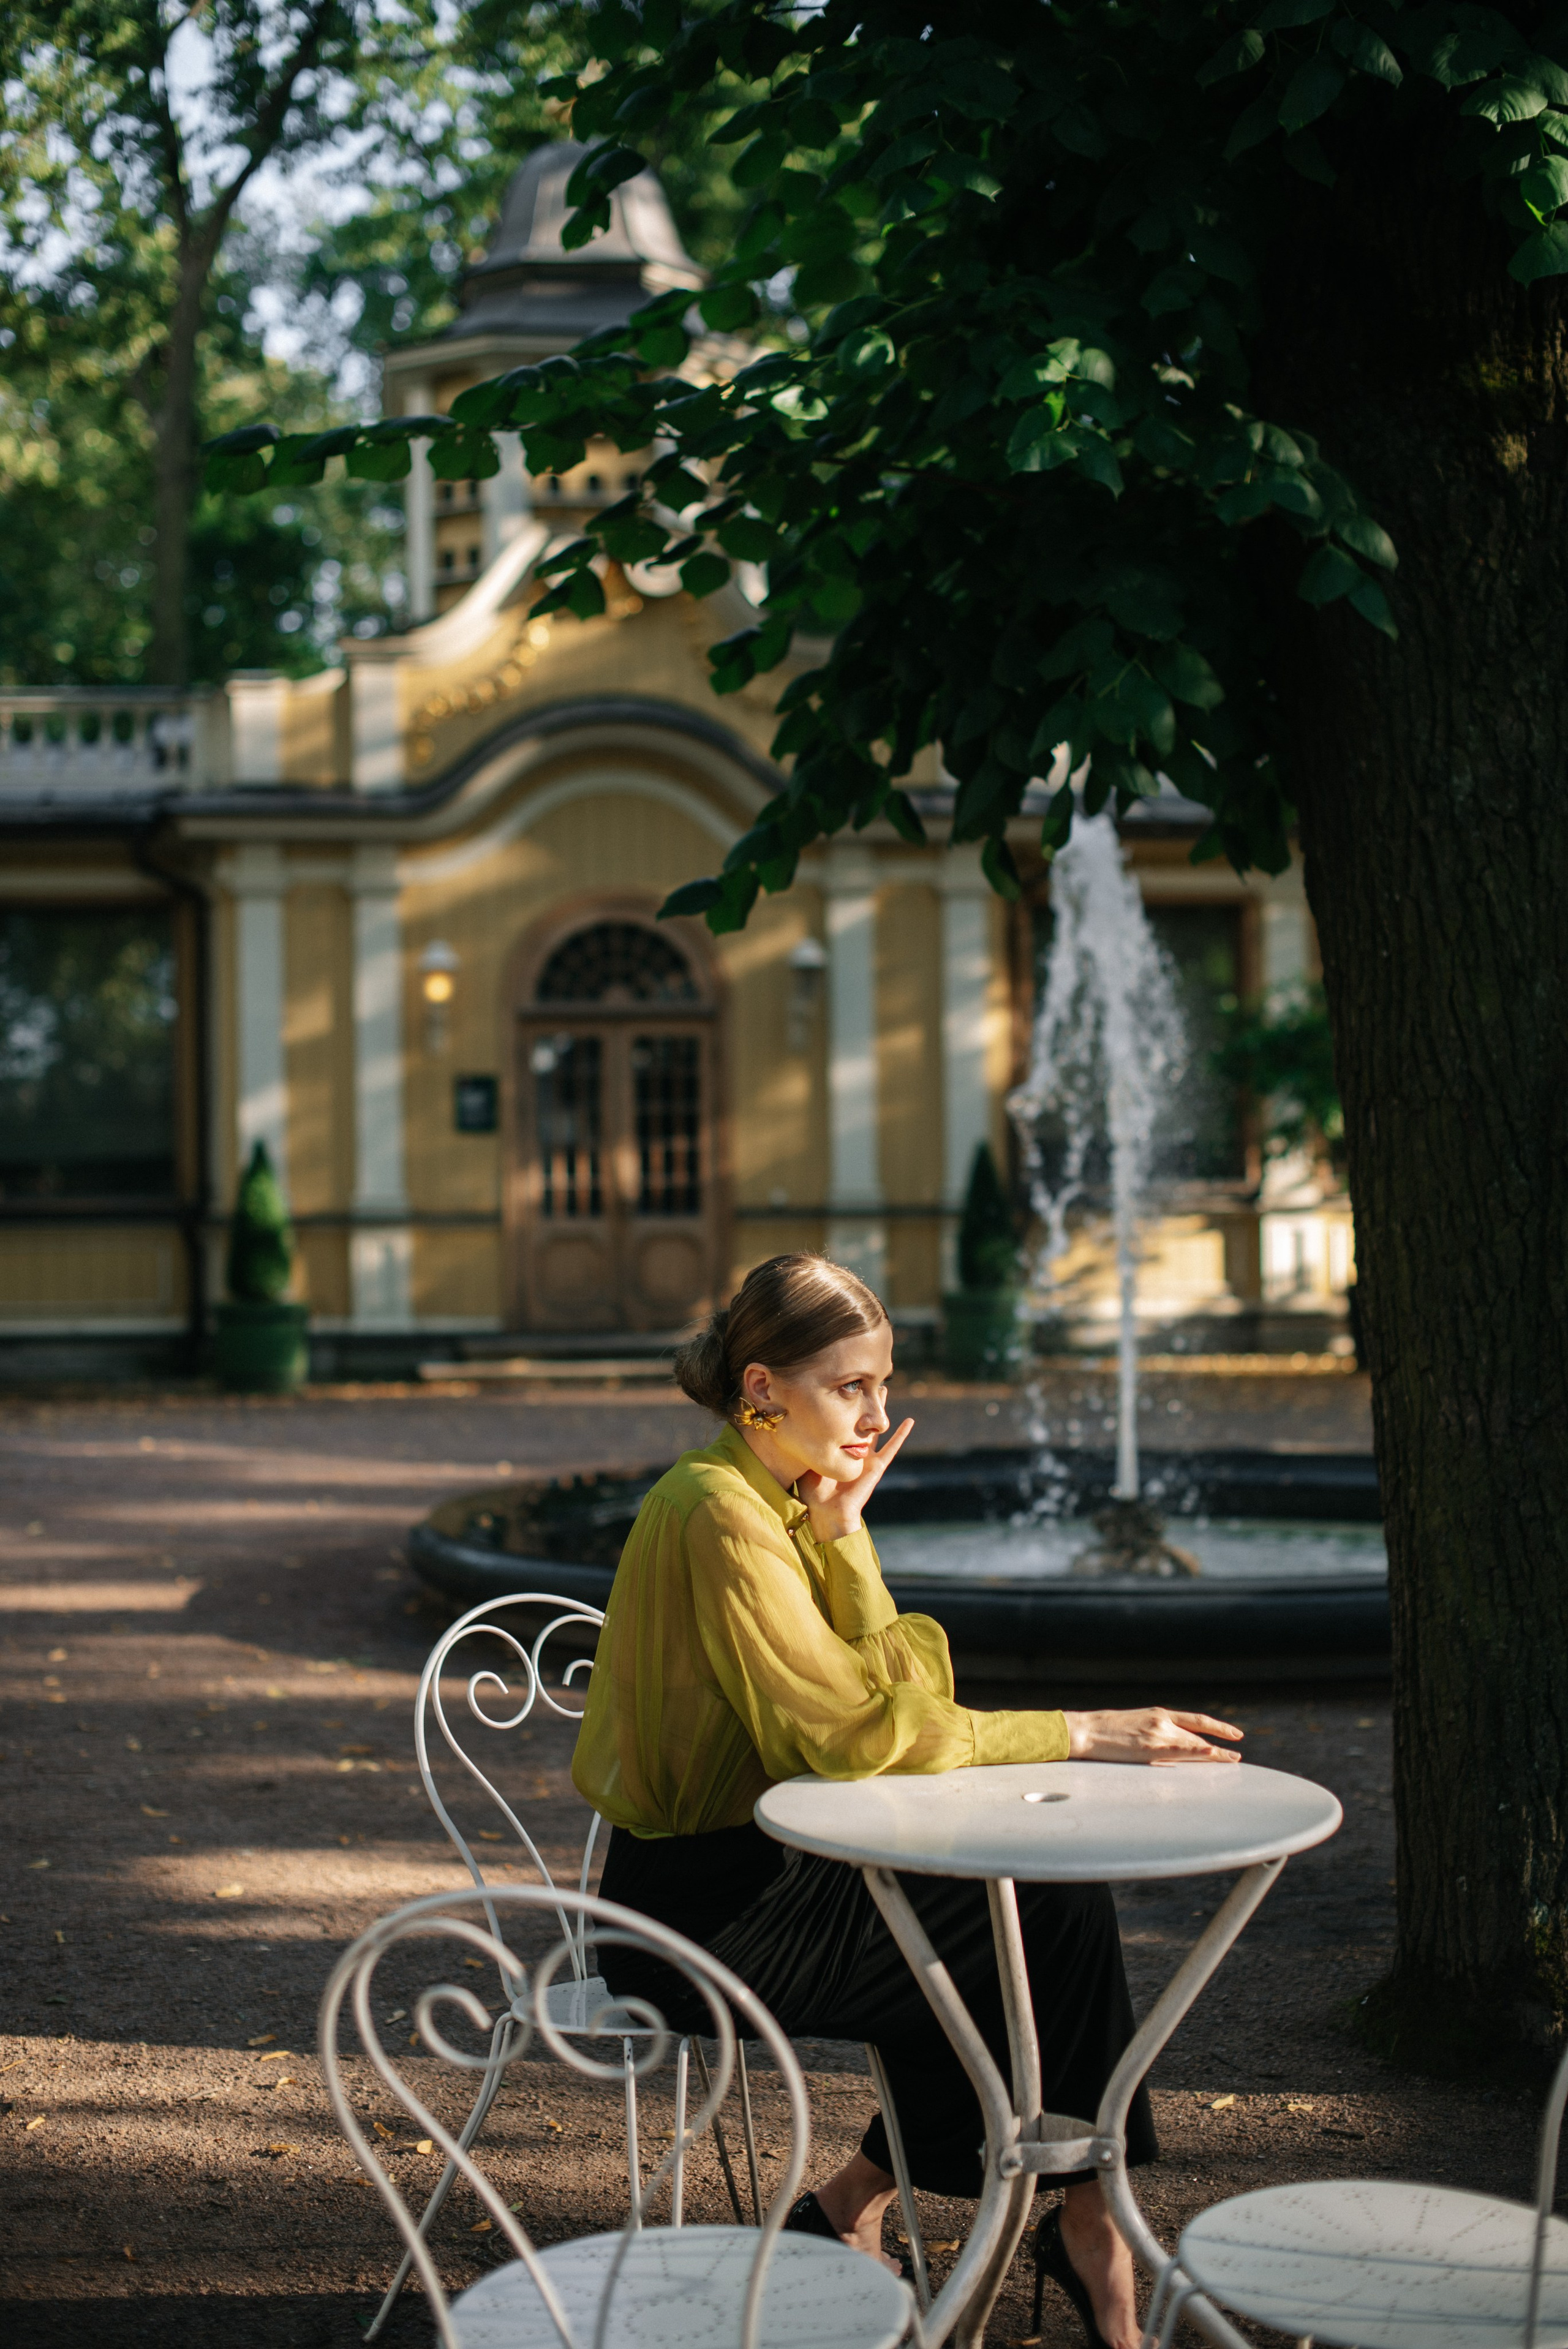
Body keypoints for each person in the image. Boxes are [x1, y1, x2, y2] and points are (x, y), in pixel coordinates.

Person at [571, 1253, 1242, 2349]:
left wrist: (844, 1535)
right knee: (1031, 1920)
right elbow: (849, 1739)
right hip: (690, 1925)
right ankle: (1076, 2236)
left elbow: (912, 1707)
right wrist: (1083, 1732)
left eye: (884, 1385)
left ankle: (907, 2212)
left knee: (1025, 1908)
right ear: (761, 1390)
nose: (881, 1415)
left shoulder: (778, 1506)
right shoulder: (718, 1518)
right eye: (853, 1387)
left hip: (776, 1876)